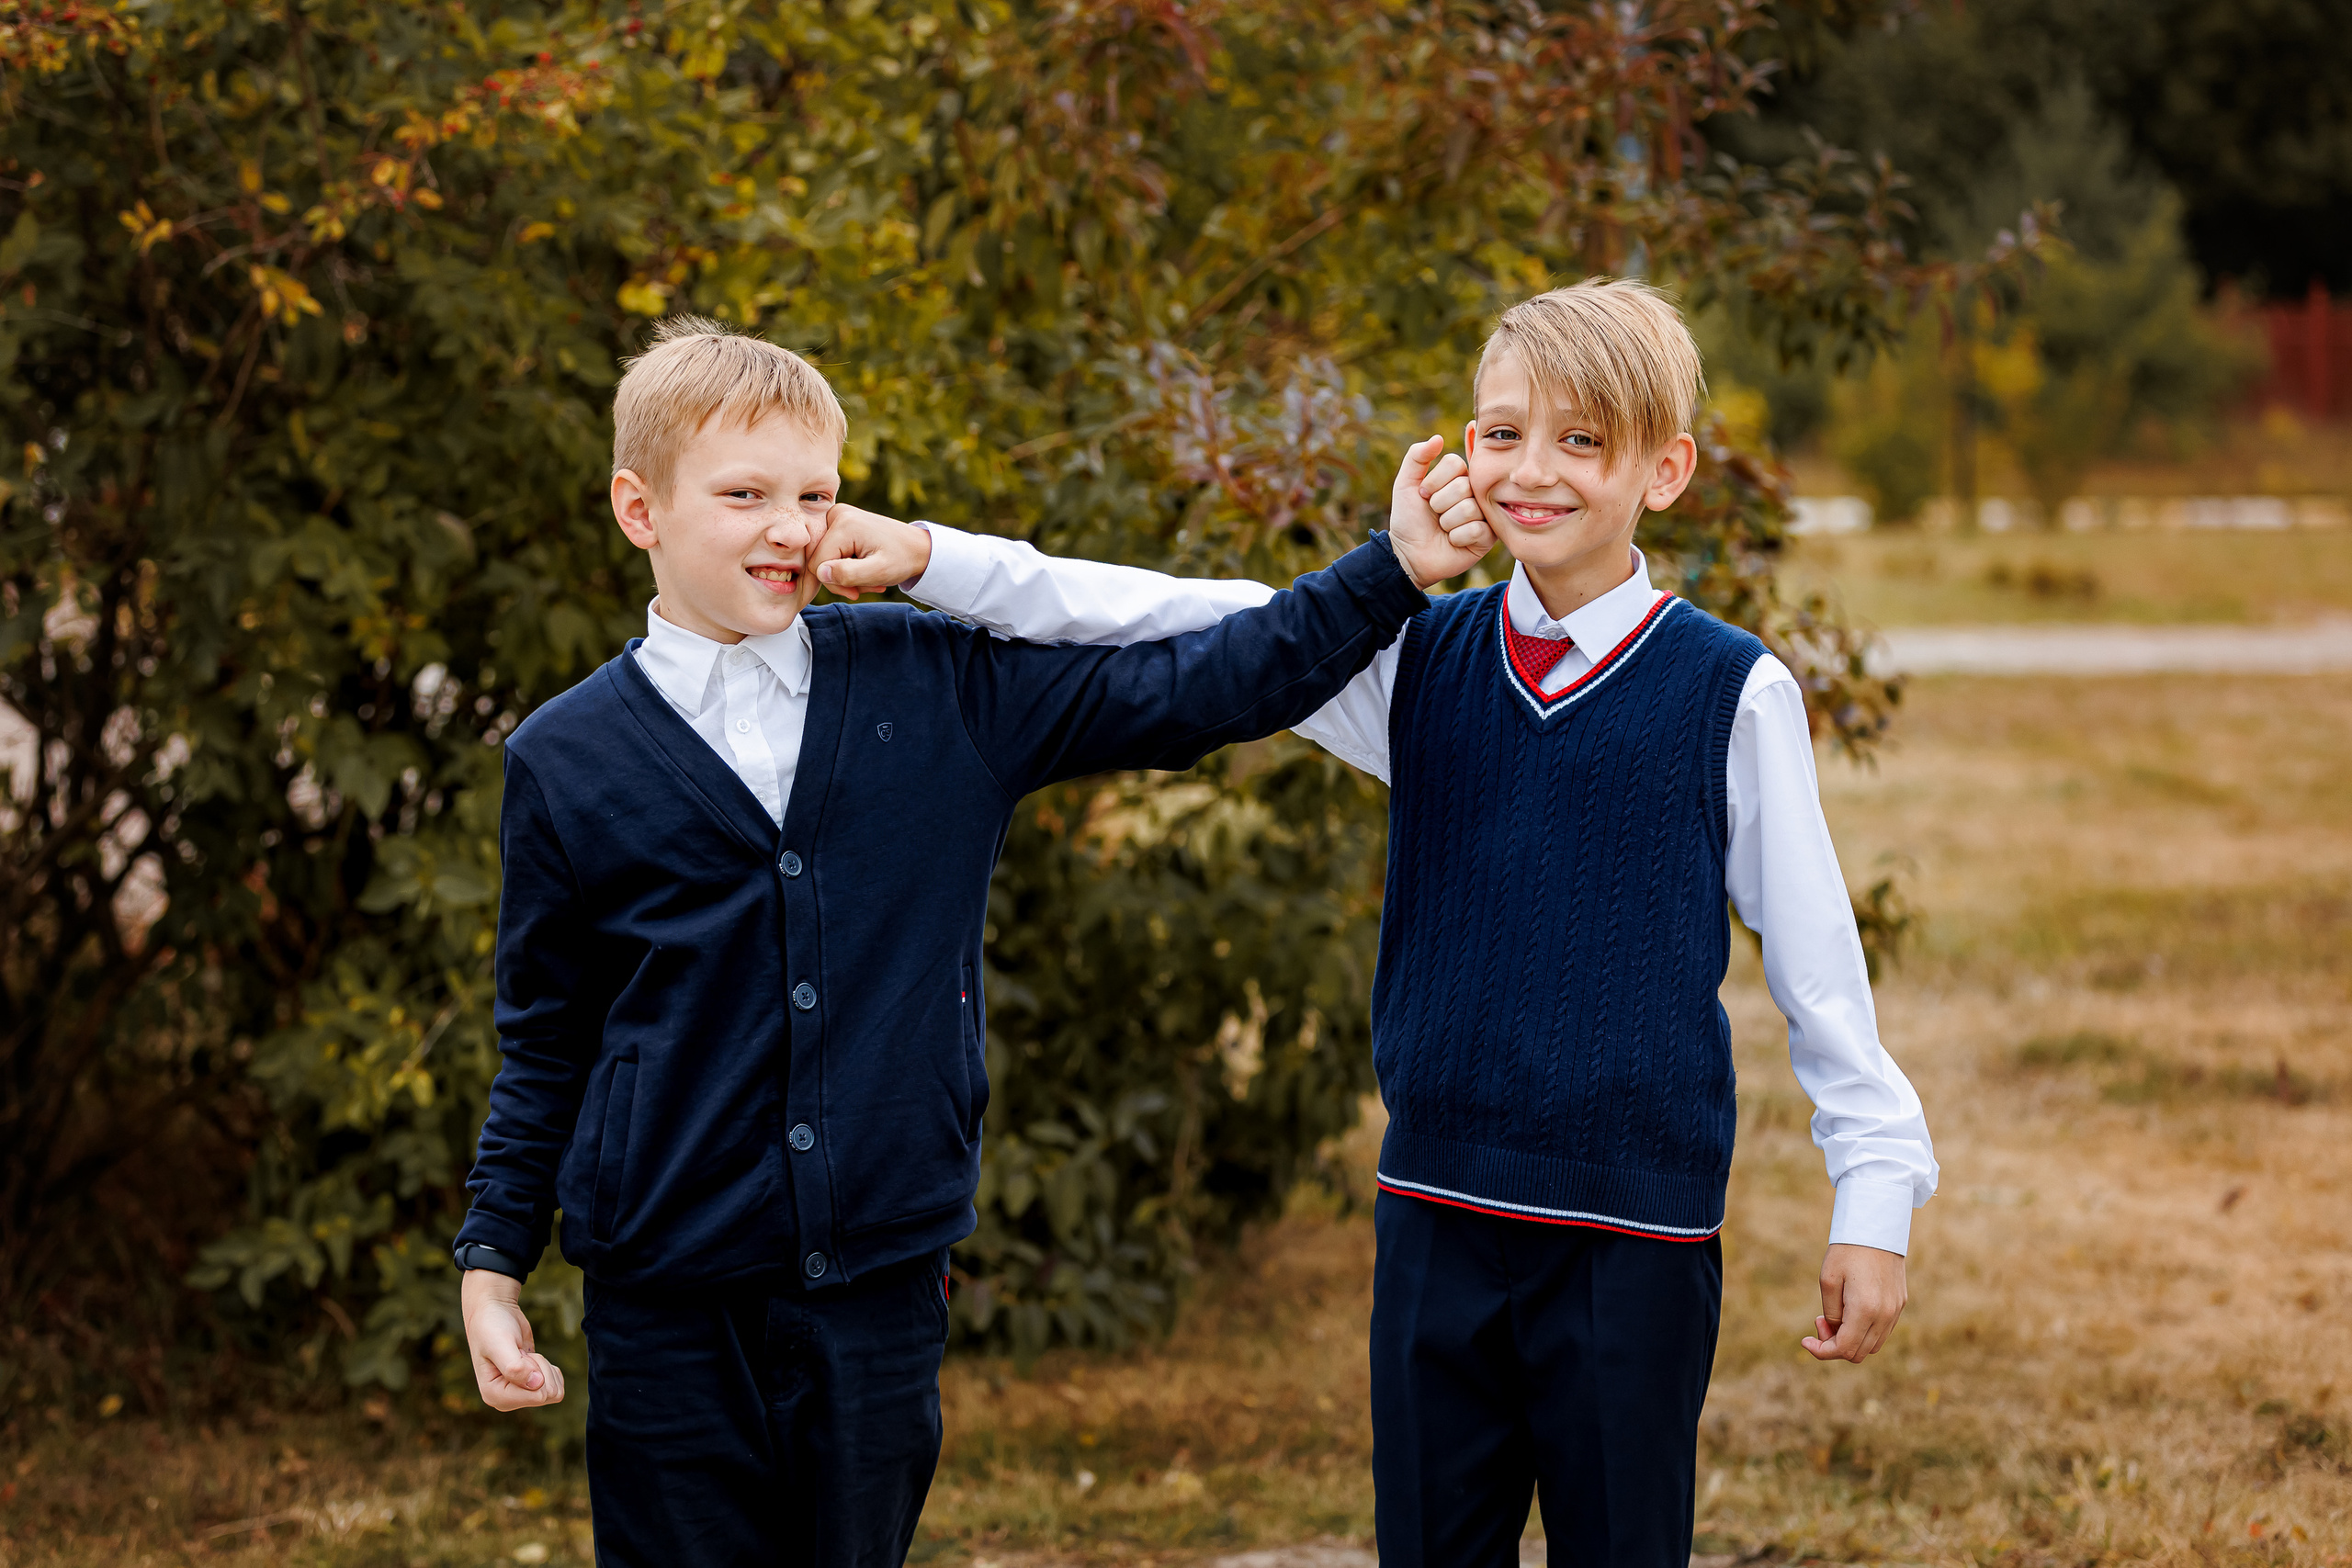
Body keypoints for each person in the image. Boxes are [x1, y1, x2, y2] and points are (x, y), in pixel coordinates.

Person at [816, 278, 1939, 1568]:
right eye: (1502, 432)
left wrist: (1875, 1194)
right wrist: (933, 561)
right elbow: (1181, 612)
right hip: (1434, 1218)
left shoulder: (1729, 691)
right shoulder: (1417, 660)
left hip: (1632, 1240)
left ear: (1665, 469)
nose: (1534, 470)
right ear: (1461, 453)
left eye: (1583, 441)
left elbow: (1819, 974)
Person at [449, 316, 1488, 1567]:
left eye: (816, 495)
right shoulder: (561, 760)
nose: (791, 529)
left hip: (881, 1279)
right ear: (640, 509)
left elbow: (1203, 684)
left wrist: (1391, 571)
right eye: (745, 496)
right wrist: (493, 1260)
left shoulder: (930, 684)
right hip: (663, 1299)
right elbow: (547, 1036)